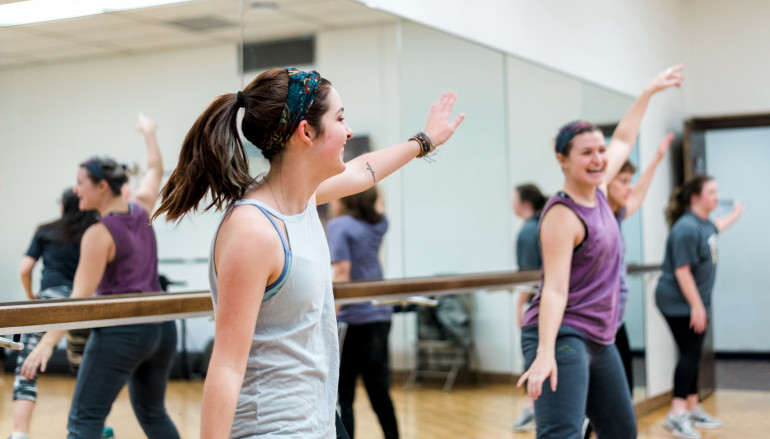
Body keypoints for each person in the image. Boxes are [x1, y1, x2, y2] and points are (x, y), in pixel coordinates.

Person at [151, 68, 464, 438]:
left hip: (320, 421)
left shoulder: (304, 200)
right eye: (341, 118)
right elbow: (226, 366)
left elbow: (364, 171)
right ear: (305, 132)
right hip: (273, 429)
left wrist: (425, 140)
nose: (349, 132)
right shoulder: (253, 232)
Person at [516, 65, 683, 439]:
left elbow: (624, 136)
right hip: (565, 337)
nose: (598, 159)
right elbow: (555, 290)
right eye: (586, 153)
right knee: (562, 434)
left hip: (600, 339)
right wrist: (545, 352)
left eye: (601, 151)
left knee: (621, 432)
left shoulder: (602, 193)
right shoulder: (562, 215)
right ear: (562, 159)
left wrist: (649, 91)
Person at [20, 114, 179, 439]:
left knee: (83, 422)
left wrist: (48, 343)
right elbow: (154, 170)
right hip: (162, 329)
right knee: (153, 414)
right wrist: (150, 134)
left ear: (102, 186)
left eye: (81, 182)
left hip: (124, 331)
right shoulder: (142, 208)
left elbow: (78, 298)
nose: (75, 189)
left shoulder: (99, 233)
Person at [582, 132, 674, 439]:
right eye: (622, 181)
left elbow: (638, 194)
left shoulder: (615, 216)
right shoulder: (592, 218)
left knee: (620, 402)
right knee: (598, 408)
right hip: (588, 330)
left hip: (612, 325)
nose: (629, 187)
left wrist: (657, 158)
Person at [655, 175, 743, 439]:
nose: (716, 196)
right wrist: (697, 306)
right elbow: (682, 272)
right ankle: (676, 414)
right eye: (712, 192)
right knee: (690, 354)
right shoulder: (686, 228)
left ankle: (691, 408)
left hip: (691, 301)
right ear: (696, 197)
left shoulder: (703, 224)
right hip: (678, 301)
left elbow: (718, 226)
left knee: (690, 353)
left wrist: (737, 213)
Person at [10, 189, 98, 439]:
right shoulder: (94, 233)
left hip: (50, 303)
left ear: (63, 207)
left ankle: (20, 433)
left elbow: (25, 269)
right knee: (86, 370)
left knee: (26, 364)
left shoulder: (45, 230)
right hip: (87, 307)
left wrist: (31, 296)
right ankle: (95, 428)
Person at [328, 186, 399, 439]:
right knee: (379, 388)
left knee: (344, 393)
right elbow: (380, 205)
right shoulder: (378, 225)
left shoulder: (339, 226)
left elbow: (342, 273)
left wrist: (329, 316)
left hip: (351, 319)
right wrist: (371, 180)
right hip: (380, 316)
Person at [510, 183, 546, 432]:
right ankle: (532, 409)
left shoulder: (528, 232)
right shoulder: (539, 226)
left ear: (524, 202)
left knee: (533, 357)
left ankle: (532, 410)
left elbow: (529, 277)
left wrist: (519, 307)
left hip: (538, 308)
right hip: (547, 306)